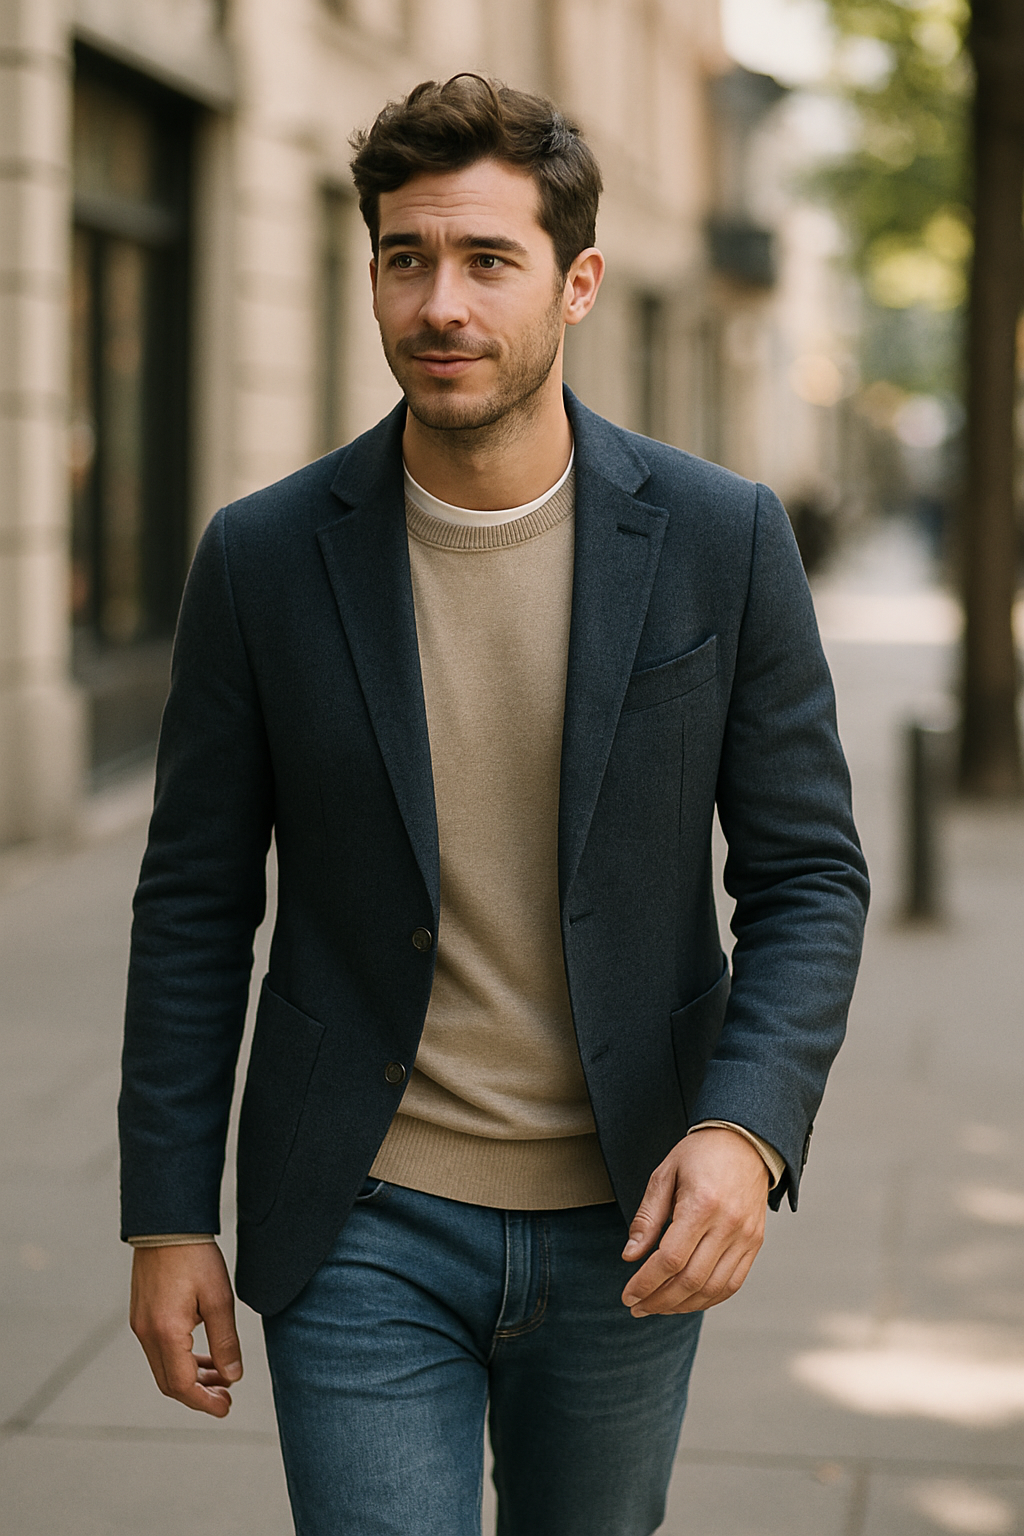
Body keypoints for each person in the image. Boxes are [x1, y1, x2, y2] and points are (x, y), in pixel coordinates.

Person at [120, 75, 868, 1536]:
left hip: (632, 1212)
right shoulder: (262, 560)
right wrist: (166, 1213)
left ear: (577, 282)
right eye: (406, 258)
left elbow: (810, 875)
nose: (439, 303)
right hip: (358, 1221)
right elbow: (194, 901)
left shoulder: (724, 541)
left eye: (486, 260)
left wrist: (747, 1130)